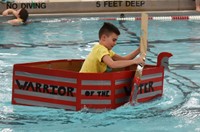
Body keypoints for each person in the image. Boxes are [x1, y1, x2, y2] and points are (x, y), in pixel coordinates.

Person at [79, 22, 145, 73]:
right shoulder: (100, 49)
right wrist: (134, 61)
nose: (115, 43)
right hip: (84, 82)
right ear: (104, 38)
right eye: (114, 40)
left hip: (87, 81)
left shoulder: (106, 50)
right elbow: (112, 64)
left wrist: (138, 50)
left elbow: (124, 59)